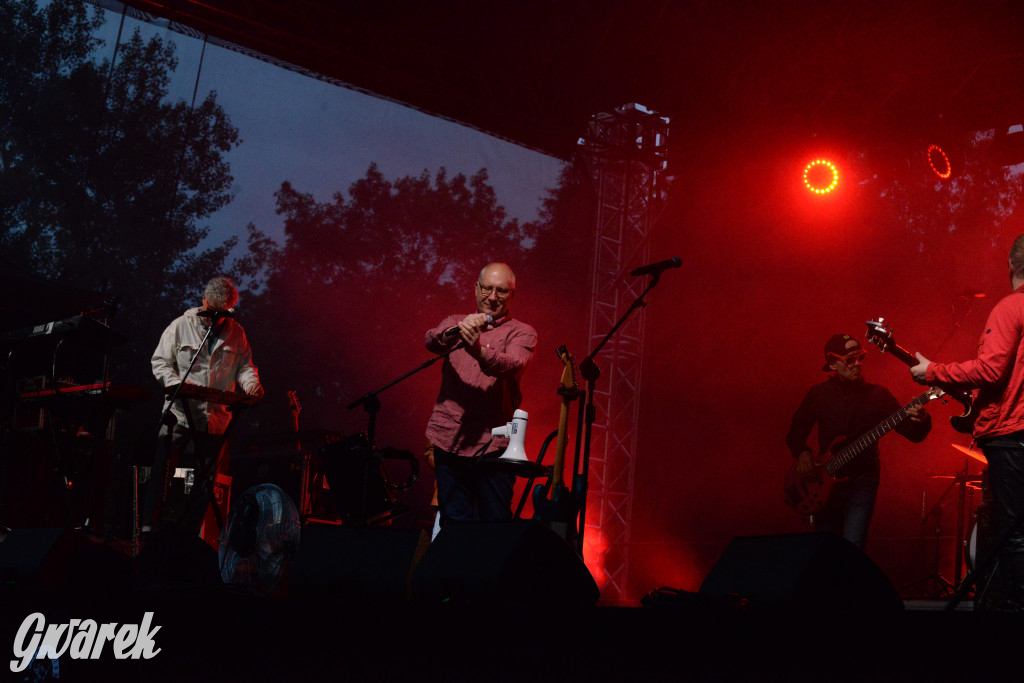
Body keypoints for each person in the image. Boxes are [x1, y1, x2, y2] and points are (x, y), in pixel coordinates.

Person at [911, 233, 1024, 610]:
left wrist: (933, 371)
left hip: (1010, 436)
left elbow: (991, 370)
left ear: (1010, 266)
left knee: (1012, 531)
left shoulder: (1011, 307)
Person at [786, 333, 931, 549]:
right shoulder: (818, 394)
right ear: (833, 364)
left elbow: (913, 435)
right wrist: (803, 453)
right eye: (850, 360)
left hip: (863, 479)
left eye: (860, 358)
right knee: (825, 548)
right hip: (824, 481)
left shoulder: (878, 395)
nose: (857, 365)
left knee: (853, 545)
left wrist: (922, 420)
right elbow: (795, 434)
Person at [145, 276, 263, 539]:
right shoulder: (180, 325)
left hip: (214, 422)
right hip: (179, 416)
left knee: (202, 483)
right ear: (205, 300)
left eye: (222, 314)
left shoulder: (237, 333)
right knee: (165, 474)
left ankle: (186, 535)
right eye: (212, 312)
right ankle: (151, 530)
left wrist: (252, 384)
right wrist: (176, 384)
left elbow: (245, 367)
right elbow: (160, 362)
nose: (216, 320)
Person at [424, 263, 537, 527]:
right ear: (476, 289)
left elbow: (512, 365)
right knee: (454, 525)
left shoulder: (523, 332)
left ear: (512, 295)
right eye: (487, 289)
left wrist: (477, 350)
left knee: (493, 527)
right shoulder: (456, 322)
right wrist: (457, 332)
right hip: (448, 438)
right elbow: (431, 341)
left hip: (493, 445)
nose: (493, 297)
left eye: (501, 291)